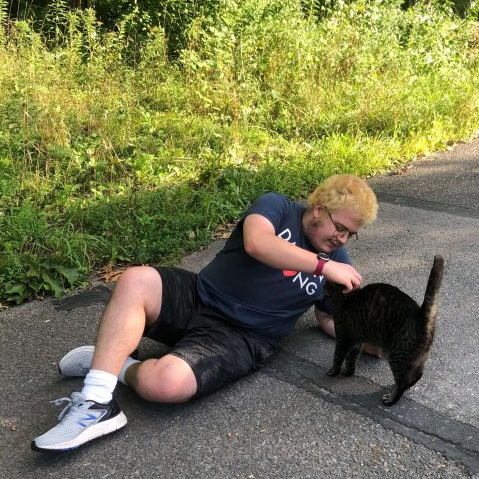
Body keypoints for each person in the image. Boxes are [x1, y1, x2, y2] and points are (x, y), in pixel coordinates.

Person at [31, 174, 378, 452]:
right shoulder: (278, 207)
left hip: (242, 338)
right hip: (200, 295)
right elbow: (257, 243)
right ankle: (96, 402)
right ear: (318, 208)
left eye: (353, 235)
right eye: (341, 228)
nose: (343, 240)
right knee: (137, 279)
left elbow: (332, 318)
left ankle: (114, 364)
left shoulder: (340, 265)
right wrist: (322, 267)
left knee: (164, 384)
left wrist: (376, 341)